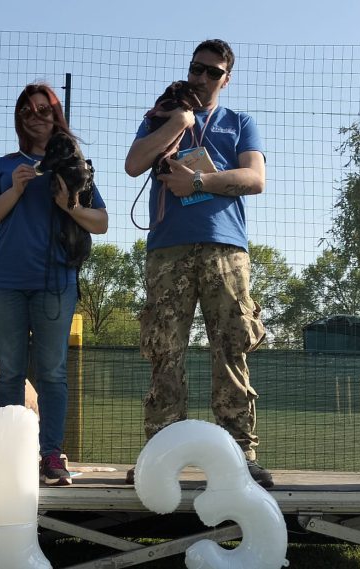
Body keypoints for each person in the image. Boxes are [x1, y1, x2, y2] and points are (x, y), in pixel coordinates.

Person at [124, 39, 272, 488]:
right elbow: (134, 164)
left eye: (213, 71)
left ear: (227, 78)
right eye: (196, 68)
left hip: (225, 249)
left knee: (231, 348)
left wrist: (200, 181)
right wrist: (178, 122)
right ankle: (160, 455)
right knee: (164, 351)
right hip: (167, 250)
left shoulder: (239, 122)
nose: (202, 77)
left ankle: (240, 455)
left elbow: (255, 179)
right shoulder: (161, 117)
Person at [0, 83, 108, 486]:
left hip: (55, 283)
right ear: (19, 119)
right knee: (10, 372)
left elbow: (101, 223)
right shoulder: (5, 166)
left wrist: (70, 205)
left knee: (52, 372)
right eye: (27, 111)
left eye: (43, 110)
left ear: (56, 115)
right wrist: (16, 189)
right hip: (6, 283)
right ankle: (9, 454)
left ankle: (51, 454)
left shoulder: (74, 167)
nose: (36, 117)